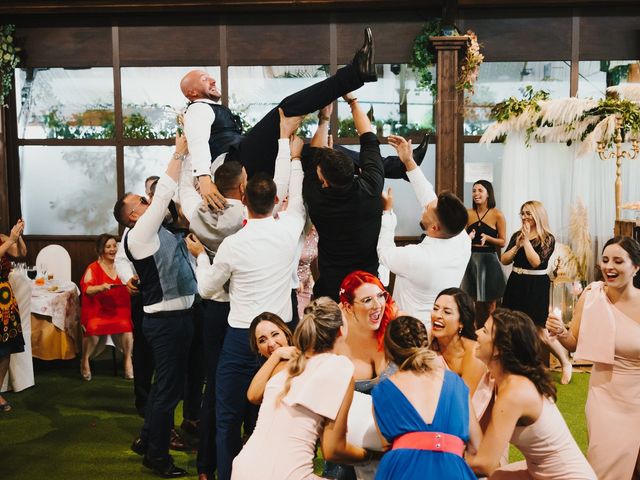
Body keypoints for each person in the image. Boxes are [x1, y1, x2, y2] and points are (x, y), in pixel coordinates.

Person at [185, 131, 306, 480]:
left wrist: (200, 258)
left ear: (242, 195)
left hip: (242, 338)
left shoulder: (233, 246)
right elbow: (292, 193)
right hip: (282, 337)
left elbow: (206, 291)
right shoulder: (290, 228)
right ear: (274, 201)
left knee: (227, 419)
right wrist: (288, 150)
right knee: (272, 418)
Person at [181, 28, 377, 210]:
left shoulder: (211, 110)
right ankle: (355, 73)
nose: (213, 80)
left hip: (243, 166)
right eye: (204, 79)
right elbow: (197, 140)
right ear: (191, 93)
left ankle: (401, 165)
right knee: (287, 109)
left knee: (321, 154)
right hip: (233, 166)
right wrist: (204, 179)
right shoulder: (197, 109)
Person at [114, 134, 197, 478]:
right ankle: (157, 457)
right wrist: (178, 151)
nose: (149, 202)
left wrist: (189, 159)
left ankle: (147, 438)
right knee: (166, 392)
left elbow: (172, 195)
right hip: (165, 322)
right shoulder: (138, 235)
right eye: (142, 202)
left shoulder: (157, 229)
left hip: (180, 317)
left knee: (170, 386)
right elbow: (164, 192)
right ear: (134, 215)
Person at [231, 297, 373, 479]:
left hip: (242, 468)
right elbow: (333, 450)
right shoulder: (340, 368)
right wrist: (370, 456)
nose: (272, 343)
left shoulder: (284, 367)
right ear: (341, 331)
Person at [545, 236, 640, 480]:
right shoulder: (591, 296)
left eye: (618, 261)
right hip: (604, 394)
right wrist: (561, 332)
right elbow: (574, 343)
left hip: (637, 395)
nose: (609, 266)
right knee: (604, 463)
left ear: (636, 267)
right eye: (606, 260)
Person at [465, 309, 596, 479]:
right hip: (538, 472)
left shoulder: (515, 392)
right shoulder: (499, 381)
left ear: (498, 350)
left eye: (484, 330)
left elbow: (485, 464)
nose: (476, 333)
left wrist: (435, 455)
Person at [377, 135, 470, 327]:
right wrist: (408, 161)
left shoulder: (418, 257)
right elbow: (427, 194)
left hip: (410, 331)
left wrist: (387, 213)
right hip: (440, 327)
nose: (425, 205)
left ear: (435, 227)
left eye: (428, 208)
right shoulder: (461, 238)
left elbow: (384, 253)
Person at [372, 315, 480, 479]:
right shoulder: (456, 384)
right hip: (452, 470)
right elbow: (476, 446)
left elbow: (386, 444)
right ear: (425, 343)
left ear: (389, 351)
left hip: (402, 471)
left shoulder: (383, 391)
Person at [302, 96, 384, 301]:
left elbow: (313, 155)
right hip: (368, 288)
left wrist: (324, 119)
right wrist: (353, 101)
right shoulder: (371, 188)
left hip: (332, 291)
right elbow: (368, 137)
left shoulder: (318, 201)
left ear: (325, 182)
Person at [501, 200, 571, 384]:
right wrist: (517, 245)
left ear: (537, 215)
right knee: (510, 324)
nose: (524, 217)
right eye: (522, 213)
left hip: (536, 284)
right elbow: (504, 259)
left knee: (540, 330)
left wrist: (525, 243)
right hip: (516, 282)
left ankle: (565, 363)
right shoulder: (517, 234)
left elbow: (536, 262)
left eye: (528, 213)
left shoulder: (548, 237)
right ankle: (515, 366)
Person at [79, 233, 133, 381]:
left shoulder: (123, 267)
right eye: (108, 246)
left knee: (126, 326)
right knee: (94, 327)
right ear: (101, 249)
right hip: (98, 311)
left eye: (115, 246)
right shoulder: (93, 268)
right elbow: (87, 290)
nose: (112, 249)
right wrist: (100, 287)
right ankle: (84, 360)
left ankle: (128, 360)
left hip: (119, 310)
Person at [461, 180, 506, 327]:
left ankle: (490, 332)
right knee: (470, 300)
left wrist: (488, 238)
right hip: (471, 259)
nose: (476, 193)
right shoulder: (467, 213)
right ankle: (472, 332)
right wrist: (468, 238)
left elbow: (502, 241)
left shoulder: (497, 214)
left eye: (480, 190)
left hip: (489, 261)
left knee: (489, 303)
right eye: (474, 190)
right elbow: (460, 238)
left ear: (488, 194)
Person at [430, 288, 486, 398]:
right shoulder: (427, 340)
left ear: (461, 322)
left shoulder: (474, 353)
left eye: (446, 312)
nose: (437, 315)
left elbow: (463, 401)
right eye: (435, 309)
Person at [0, 219, 27, 412]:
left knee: (5, 349)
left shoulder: (2, 238)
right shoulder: (5, 240)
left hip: (5, 301)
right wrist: (11, 240)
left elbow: (21, 254)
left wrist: (19, 237)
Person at [246, 312, 295, 405]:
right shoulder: (265, 372)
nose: (271, 344)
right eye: (262, 340)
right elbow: (253, 396)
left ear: (287, 335)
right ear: (258, 349)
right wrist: (277, 354)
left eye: (275, 334)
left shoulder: (305, 357)